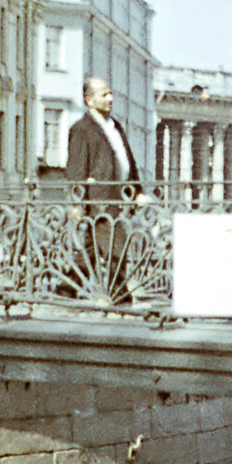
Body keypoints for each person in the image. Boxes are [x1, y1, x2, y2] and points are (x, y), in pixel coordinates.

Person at [64, 77, 144, 302]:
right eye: (103, 95)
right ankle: (121, 298)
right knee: (116, 247)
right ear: (89, 100)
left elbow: (127, 160)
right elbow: (76, 168)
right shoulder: (81, 129)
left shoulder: (114, 125)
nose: (110, 99)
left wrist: (138, 190)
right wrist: (77, 203)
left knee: (90, 251)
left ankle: (65, 288)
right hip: (99, 200)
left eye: (110, 94)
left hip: (119, 197)